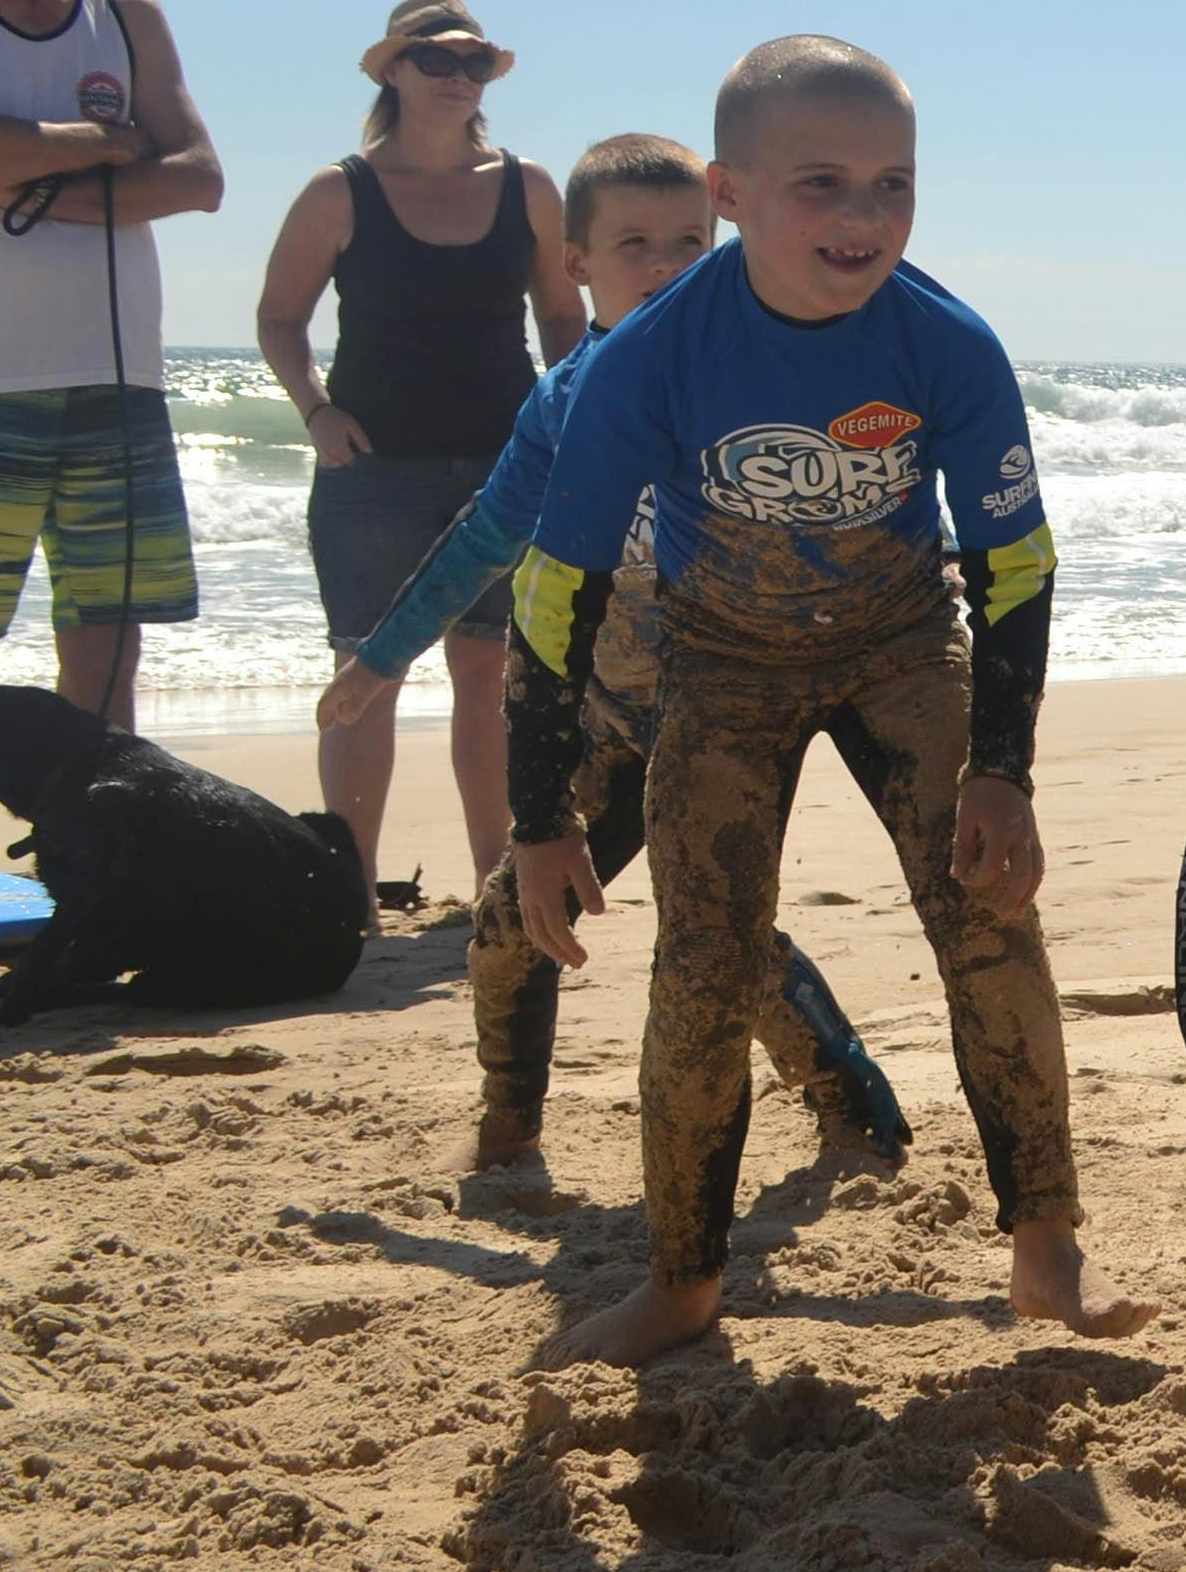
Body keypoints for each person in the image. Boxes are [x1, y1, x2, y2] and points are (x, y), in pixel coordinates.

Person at [504, 37, 1141, 1367]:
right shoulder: (652, 358)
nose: (862, 221)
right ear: (730, 193)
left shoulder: (946, 343)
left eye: (892, 185)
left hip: (902, 646)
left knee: (991, 923)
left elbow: (1016, 566)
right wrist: (540, 819)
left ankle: (1049, 1248)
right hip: (723, 661)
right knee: (703, 967)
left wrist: (1004, 770)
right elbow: (553, 588)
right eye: (822, 186)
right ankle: (682, 1283)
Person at [317, 133, 905, 1175]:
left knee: (721, 930)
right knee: (507, 926)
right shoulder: (563, 400)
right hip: (607, 727)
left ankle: (857, 1114)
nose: (669, 264)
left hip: (724, 722)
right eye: (635, 243)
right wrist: (379, 659)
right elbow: (485, 540)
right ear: (575, 263)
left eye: (690, 238)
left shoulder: (744, 378)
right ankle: (510, 1131)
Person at [0, 0, 221, 994]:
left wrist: (22, 173)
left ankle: (93, 914)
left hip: (120, 387)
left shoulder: (129, 13)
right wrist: (97, 148)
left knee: (106, 657)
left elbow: (199, 175)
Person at [257, 0, 583, 912]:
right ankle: (349, 895)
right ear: (391, 71)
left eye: (472, 61)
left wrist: (568, 412)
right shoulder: (339, 190)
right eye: (434, 59)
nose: (455, 77)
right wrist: (316, 411)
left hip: (503, 468)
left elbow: (563, 314)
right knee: (368, 672)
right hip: (373, 473)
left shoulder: (528, 186)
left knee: (490, 673)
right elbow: (280, 318)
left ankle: (498, 883)